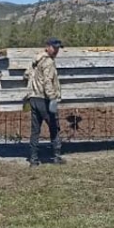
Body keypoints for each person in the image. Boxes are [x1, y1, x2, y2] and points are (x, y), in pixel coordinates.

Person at [23, 38, 64, 166]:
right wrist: (52, 98)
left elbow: (26, 75)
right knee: (54, 127)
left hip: (33, 98)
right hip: (44, 99)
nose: (56, 50)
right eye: (54, 47)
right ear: (47, 47)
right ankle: (57, 157)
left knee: (35, 130)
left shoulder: (36, 60)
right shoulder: (49, 62)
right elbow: (48, 81)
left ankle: (33, 159)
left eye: (57, 48)